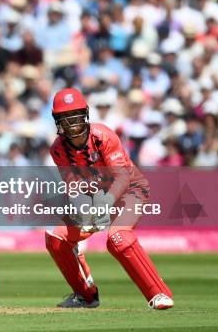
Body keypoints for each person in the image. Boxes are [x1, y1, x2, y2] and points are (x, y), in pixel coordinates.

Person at [45, 88, 173, 310]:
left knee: (118, 237)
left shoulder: (103, 136)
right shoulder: (58, 149)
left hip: (131, 190)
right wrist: (83, 208)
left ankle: (159, 294)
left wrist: (106, 202)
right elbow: (72, 183)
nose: (72, 123)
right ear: (58, 121)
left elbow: (122, 175)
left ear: (85, 115)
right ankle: (86, 296)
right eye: (66, 118)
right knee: (56, 238)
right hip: (96, 196)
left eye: (75, 116)